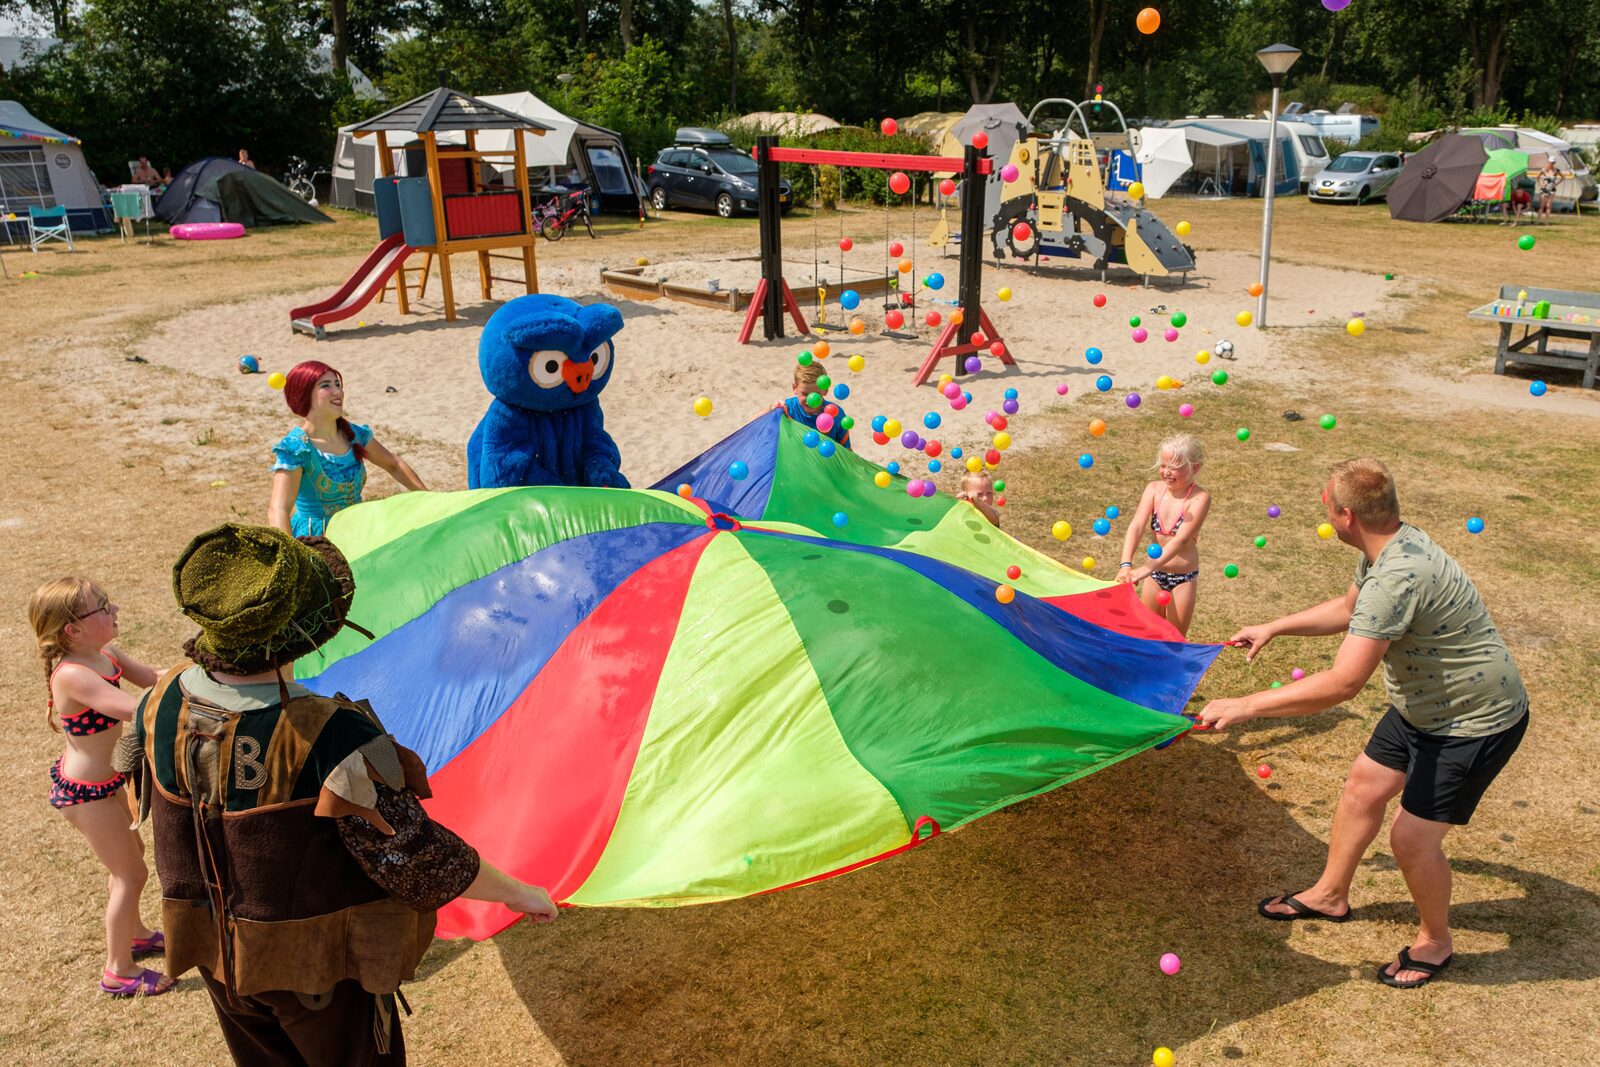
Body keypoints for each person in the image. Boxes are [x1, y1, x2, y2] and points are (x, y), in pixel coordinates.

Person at [113, 523, 560, 1064]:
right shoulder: (331, 733)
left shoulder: (158, 698)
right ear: (305, 629)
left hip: (215, 958)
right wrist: (518, 892)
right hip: (316, 976)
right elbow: (414, 854)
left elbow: (134, 786)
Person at [1197, 459, 1528, 990]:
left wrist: (1244, 705)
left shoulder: (1396, 576)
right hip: (1422, 706)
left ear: (1346, 515)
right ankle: (1330, 895)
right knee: (1362, 788)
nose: (1323, 510)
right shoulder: (1389, 547)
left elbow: (1343, 683)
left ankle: (1435, 941)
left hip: (1473, 720)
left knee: (1413, 840)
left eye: (1326, 503)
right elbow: (1350, 608)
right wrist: (1275, 627)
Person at [27, 577, 172, 997]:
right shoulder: (72, 675)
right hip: (85, 794)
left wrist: (195, 672)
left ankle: (136, 934)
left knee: (133, 860)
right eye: (103, 607)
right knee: (130, 873)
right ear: (72, 630)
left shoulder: (105, 653)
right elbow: (134, 709)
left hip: (108, 782)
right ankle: (117, 970)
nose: (114, 610)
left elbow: (150, 679)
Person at [269, 361, 426, 537]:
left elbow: (394, 465)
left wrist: (431, 500)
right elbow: (278, 509)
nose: (338, 392)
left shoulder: (353, 435)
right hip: (318, 540)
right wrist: (292, 558)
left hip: (358, 532)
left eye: (338, 384)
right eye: (326, 386)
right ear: (304, 394)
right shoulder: (296, 448)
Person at [1117, 434, 1212, 637]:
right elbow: (1136, 526)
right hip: (1154, 576)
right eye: (1163, 465)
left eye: (1175, 466)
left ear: (1194, 468)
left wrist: (1145, 568)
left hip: (1182, 579)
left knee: (1174, 639)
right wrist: (1126, 564)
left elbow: (1181, 540)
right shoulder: (1153, 489)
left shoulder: (1199, 498)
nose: (1167, 472)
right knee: (1148, 635)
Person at [771, 359, 851, 449]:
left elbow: (847, 452)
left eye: (815, 395)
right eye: (805, 394)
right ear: (794, 388)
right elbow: (757, 422)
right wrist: (772, 407)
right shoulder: (787, 409)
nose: (810, 400)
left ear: (825, 390)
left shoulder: (836, 414)